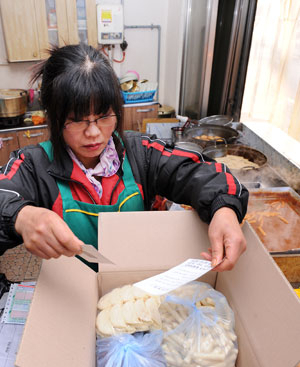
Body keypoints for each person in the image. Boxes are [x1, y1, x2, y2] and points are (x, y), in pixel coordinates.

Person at [0, 44, 248, 272]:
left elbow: (201, 174)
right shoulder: (34, 165)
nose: (94, 133)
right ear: (54, 119)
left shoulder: (142, 154)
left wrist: (224, 209)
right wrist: (21, 217)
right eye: (77, 120)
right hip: (72, 294)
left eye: (104, 116)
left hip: (137, 283)